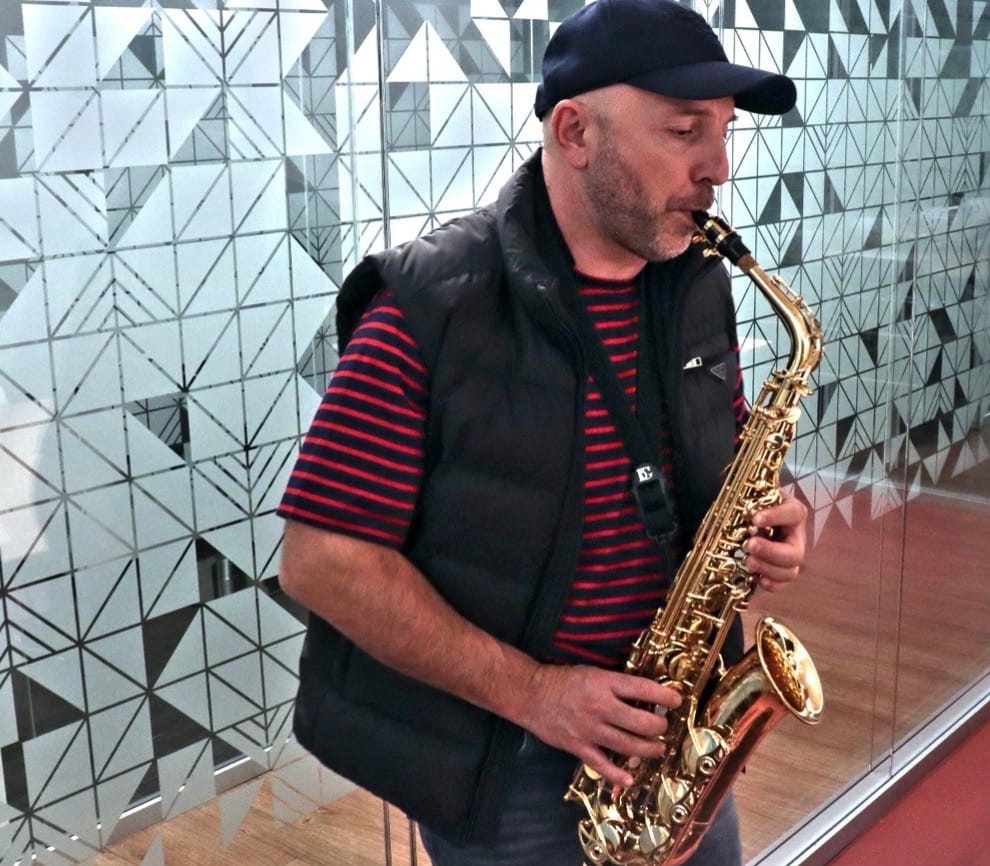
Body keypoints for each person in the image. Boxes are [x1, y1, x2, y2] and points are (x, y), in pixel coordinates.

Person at [275, 0, 808, 863]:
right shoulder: (430, 307)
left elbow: (728, 443)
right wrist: (536, 694)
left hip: (678, 741)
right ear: (574, 132)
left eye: (724, 132)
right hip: (510, 764)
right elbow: (322, 561)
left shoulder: (696, 283)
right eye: (684, 131)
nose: (717, 167)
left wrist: (778, 511)